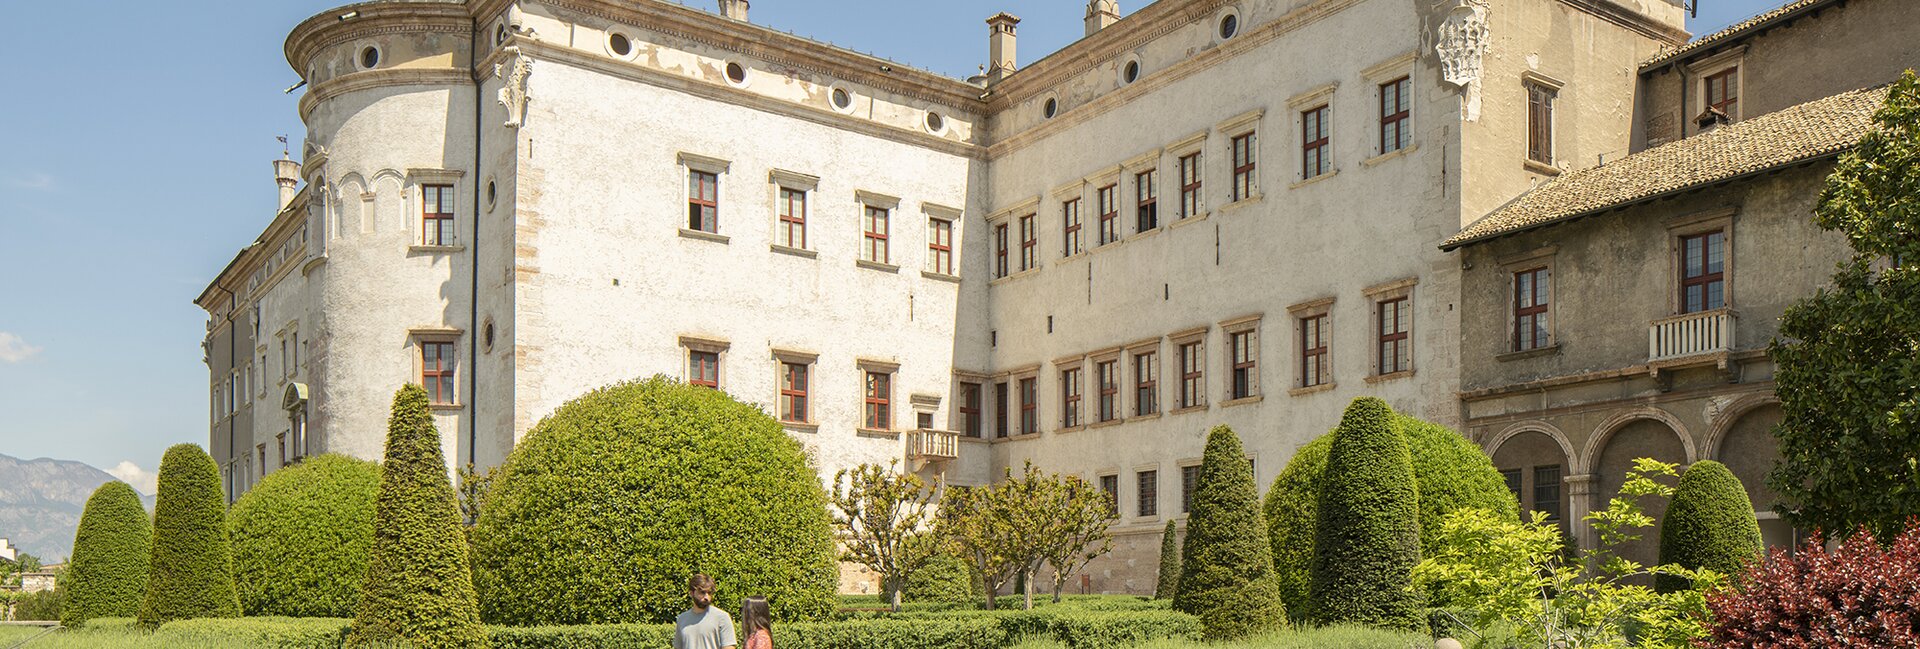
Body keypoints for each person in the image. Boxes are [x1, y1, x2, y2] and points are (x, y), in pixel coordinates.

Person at [673, 574, 737, 649]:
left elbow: (729, 646)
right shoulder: (682, 619)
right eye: (702, 592)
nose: (706, 597)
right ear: (691, 593)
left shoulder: (722, 617)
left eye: (709, 593)